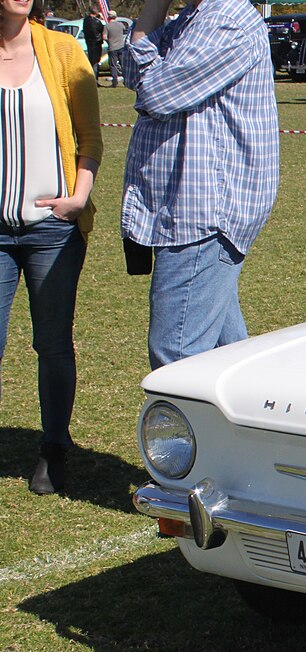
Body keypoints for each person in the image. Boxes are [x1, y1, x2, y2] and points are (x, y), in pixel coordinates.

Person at [121, 0, 280, 371]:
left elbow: (157, 94)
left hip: (200, 214)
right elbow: (131, 70)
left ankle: (181, 433)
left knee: (177, 362)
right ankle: (251, 431)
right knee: (229, 360)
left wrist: (145, 31)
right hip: (184, 207)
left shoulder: (225, 19)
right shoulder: (193, 18)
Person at [0, 0, 101, 494]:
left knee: (53, 343)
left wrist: (78, 198)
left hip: (51, 230)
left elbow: (89, 138)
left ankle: (54, 447)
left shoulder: (62, 51)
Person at [104, 10, 125, 87]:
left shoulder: (107, 26)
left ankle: (115, 82)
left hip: (112, 47)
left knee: (113, 65)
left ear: (108, 17)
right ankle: (126, 81)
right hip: (121, 46)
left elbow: (104, 37)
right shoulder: (121, 24)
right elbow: (124, 31)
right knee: (123, 64)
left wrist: (109, 41)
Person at [81, 6, 102, 81]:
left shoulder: (86, 20)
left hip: (89, 41)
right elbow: (101, 29)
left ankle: (91, 78)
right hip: (97, 42)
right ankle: (95, 79)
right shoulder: (97, 22)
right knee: (96, 61)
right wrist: (100, 19)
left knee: (91, 59)